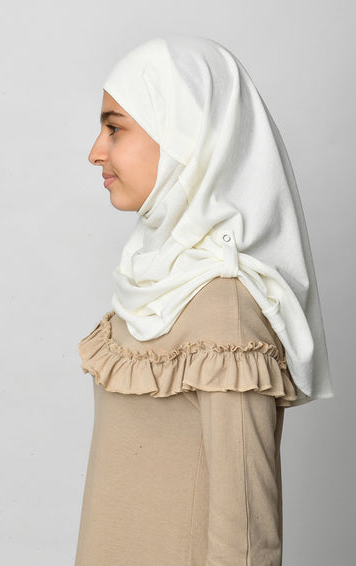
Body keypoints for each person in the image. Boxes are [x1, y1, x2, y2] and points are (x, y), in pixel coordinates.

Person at [74, 35, 334, 566]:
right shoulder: (153, 283)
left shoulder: (224, 310)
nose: (95, 151)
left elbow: (246, 537)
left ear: (183, 134)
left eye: (115, 127)